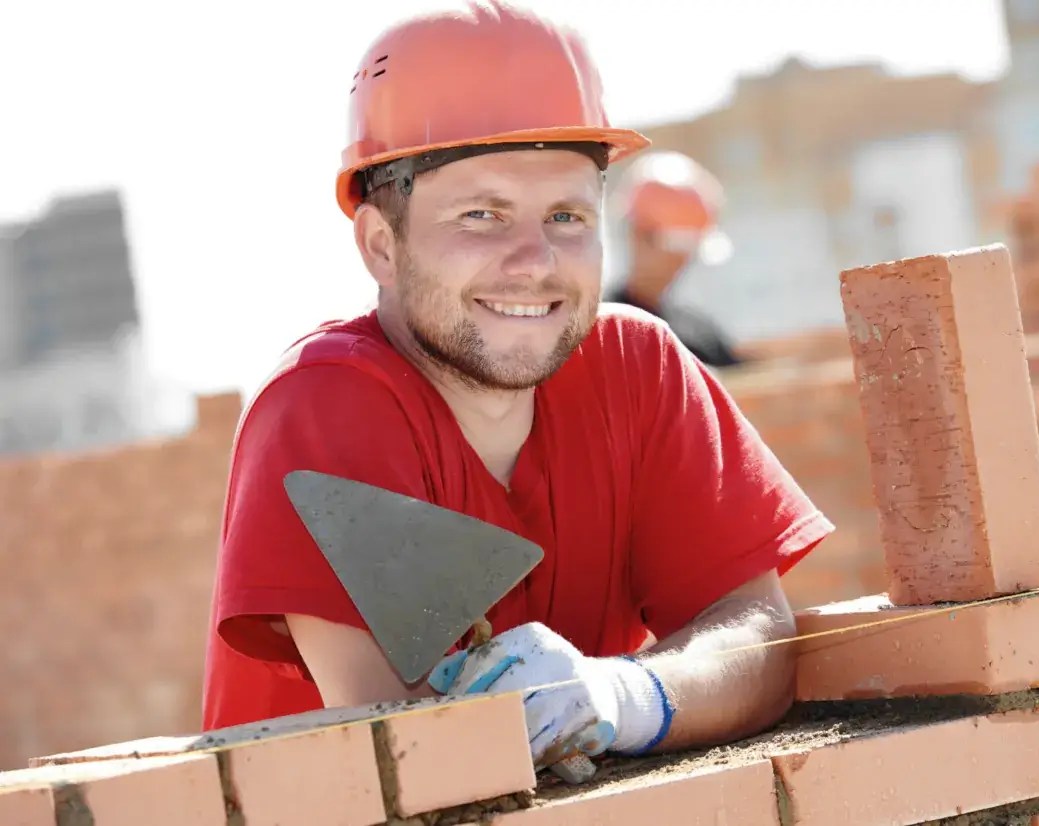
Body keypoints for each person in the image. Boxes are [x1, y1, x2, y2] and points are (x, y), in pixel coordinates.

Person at [201, 0, 833, 777]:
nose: (535, 262)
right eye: (481, 215)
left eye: (566, 216)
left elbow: (756, 634)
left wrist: (625, 695)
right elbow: (414, 755)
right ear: (380, 244)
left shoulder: (637, 367)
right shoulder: (326, 405)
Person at [605, 150, 745, 368]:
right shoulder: (604, 334)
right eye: (678, 246)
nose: (683, 261)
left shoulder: (699, 331)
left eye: (689, 249)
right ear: (639, 236)